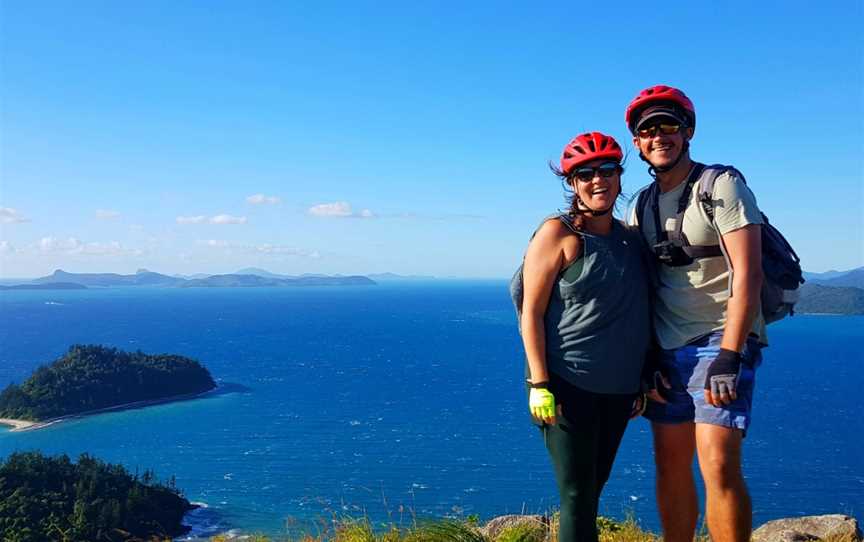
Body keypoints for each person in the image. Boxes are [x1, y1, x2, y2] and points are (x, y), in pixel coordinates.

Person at [625, 85, 765, 542]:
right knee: (669, 466)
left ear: (687, 132)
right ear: (637, 141)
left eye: (669, 125)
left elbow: (748, 273)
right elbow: (637, 285)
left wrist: (730, 354)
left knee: (718, 464)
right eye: (648, 129)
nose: (658, 135)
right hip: (666, 348)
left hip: (718, 339)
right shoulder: (641, 204)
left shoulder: (720, 185)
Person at [510, 131, 651, 542]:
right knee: (576, 494)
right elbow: (531, 313)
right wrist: (539, 383)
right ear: (572, 183)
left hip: (619, 388)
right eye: (585, 173)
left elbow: (633, 313)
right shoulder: (559, 234)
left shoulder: (629, 239)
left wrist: (641, 378)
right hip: (565, 385)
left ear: (620, 178)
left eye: (607, 170)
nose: (598, 180)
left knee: (593, 490)